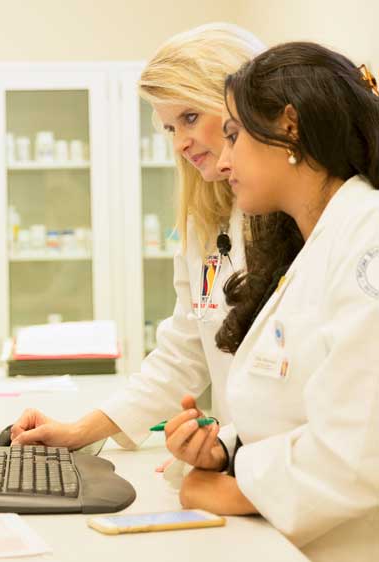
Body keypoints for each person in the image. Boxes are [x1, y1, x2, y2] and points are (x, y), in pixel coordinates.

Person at [164, 41, 379, 562]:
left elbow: (362, 446)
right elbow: (303, 403)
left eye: (234, 135)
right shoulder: (316, 242)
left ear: (290, 127)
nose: (225, 158)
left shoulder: (367, 239)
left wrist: (232, 489)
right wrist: (226, 449)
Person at [10, 23, 264, 451]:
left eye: (189, 117)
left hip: (273, 468)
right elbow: (184, 351)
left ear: (243, 104)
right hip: (243, 463)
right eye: (170, 128)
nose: (181, 142)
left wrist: (227, 456)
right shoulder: (204, 220)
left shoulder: (288, 220)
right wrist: (80, 431)